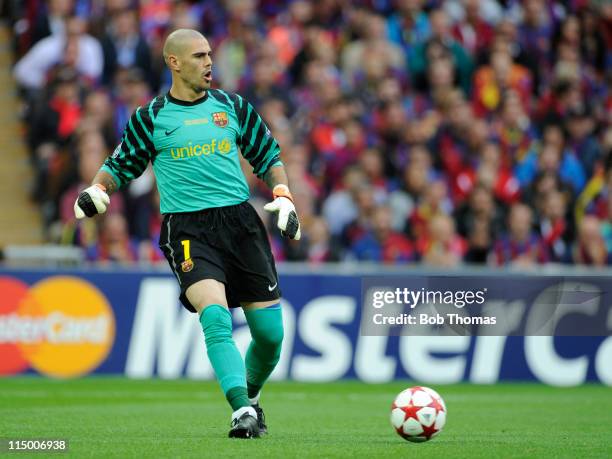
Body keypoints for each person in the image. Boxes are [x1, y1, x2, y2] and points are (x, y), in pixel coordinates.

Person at [73, 29, 301, 439]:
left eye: (210, 54)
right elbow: (121, 162)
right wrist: (98, 189)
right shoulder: (151, 117)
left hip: (241, 224)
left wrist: (283, 195)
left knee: (270, 337)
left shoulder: (232, 107)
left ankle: (249, 397)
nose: (209, 62)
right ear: (174, 62)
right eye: (198, 56)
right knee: (214, 315)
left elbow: (268, 155)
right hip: (188, 229)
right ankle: (241, 412)